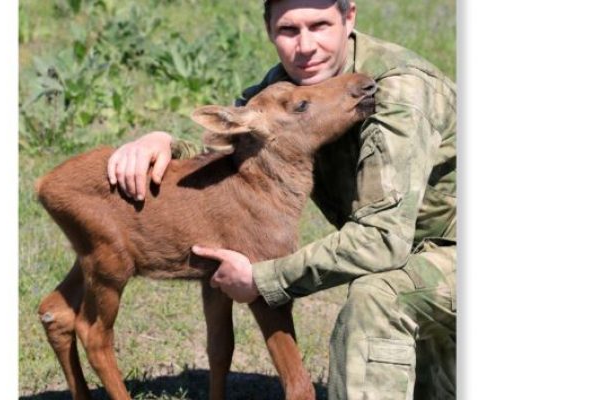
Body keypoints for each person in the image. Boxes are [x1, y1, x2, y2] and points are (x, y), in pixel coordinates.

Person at [107, 0, 456, 398]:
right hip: (411, 259)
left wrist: (261, 279)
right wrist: (164, 144)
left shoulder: (396, 90)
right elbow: (241, 153)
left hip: (450, 258)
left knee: (376, 299)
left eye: (320, 25)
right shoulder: (287, 88)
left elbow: (382, 241)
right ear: (270, 31)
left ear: (349, 18)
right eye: (289, 30)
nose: (305, 45)